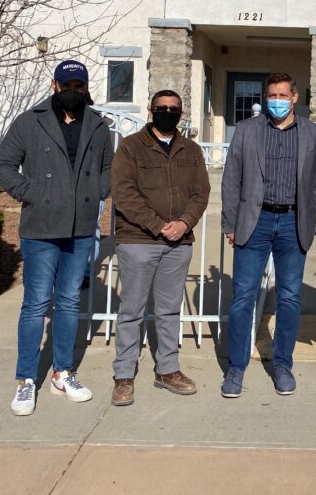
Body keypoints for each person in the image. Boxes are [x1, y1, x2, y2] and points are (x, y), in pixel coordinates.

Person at [0, 59, 114, 417]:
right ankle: (26, 380)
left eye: (79, 86)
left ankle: (63, 373)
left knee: (69, 303)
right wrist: (30, 192)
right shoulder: (30, 121)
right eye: (67, 85)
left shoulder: (97, 124)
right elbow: (2, 164)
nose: (73, 92)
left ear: (86, 87)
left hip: (80, 228)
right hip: (41, 227)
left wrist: (97, 191)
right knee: (35, 304)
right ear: (55, 85)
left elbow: (109, 167)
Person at [220, 72, 316, 398]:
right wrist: (230, 223)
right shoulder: (247, 130)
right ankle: (236, 368)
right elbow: (231, 178)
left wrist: (314, 222)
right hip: (256, 221)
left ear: (295, 97)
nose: (277, 101)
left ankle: (283, 365)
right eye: (272, 95)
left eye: (283, 95)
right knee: (242, 296)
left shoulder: (313, 133)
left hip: (293, 223)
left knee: (290, 297)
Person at [109, 90, 211, 407]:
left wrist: (184, 223)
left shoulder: (191, 150)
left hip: (178, 242)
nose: (168, 112)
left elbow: (201, 192)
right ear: (151, 110)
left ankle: (167, 369)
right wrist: (156, 225)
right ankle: (124, 376)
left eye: (174, 109)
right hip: (139, 240)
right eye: (162, 107)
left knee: (168, 310)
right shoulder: (130, 147)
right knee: (132, 310)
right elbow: (123, 193)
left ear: (181, 113)